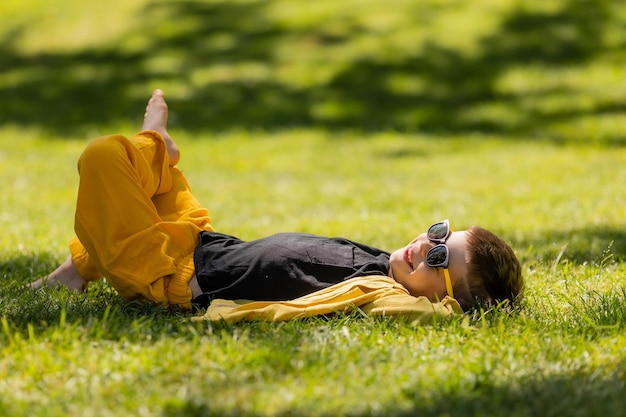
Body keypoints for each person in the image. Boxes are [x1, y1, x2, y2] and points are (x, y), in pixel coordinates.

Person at [30, 90, 523, 312]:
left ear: (444, 298)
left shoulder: (381, 295)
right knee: (156, 191)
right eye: (439, 234)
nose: (425, 245)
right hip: (198, 241)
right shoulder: (385, 265)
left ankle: (154, 143)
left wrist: (456, 310)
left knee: (105, 159)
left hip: (166, 279)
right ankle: (78, 270)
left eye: (439, 258)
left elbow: (422, 313)